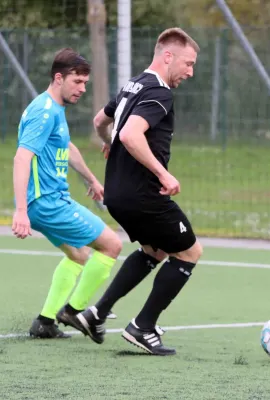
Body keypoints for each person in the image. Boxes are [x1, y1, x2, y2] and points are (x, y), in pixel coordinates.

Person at [76, 28, 203, 356]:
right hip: (143, 193)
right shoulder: (160, 92)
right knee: (189, 252)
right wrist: (163, 173)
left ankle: (97, 313)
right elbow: (132, 134)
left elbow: (99, 121)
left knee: (154, 250)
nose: (191, 72)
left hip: (117, 193)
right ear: (168, 56)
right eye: (188, 64)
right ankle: (142, 327)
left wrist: (109, 144)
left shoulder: (132, 85)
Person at [12, 48, 122, 339]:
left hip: (47, 202)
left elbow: (67, 148)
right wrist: (21, 210)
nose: (82, 89)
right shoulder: (44, 111)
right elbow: (22, 158)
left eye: (85, 83)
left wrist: (92, 180)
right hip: (47, 203)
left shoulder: (54, 109)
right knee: (111, 245)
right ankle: (74, 312)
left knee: (78, 255)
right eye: (77, 82)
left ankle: (45, 322)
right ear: (58, 78)